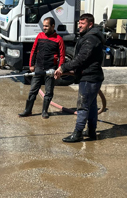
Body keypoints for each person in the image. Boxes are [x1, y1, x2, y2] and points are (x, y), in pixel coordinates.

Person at [55, 13, 105, 142]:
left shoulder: (91, 39)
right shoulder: (90, 36)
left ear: (90, 24)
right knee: (92, 105)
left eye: (82, 23)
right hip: (92, 76)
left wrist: (63, 68)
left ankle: (77, 133)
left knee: (83, 106)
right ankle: (92, 131)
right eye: (79, 23)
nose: (79, 26)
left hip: (89, 77)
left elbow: (81, 58)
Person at [19, 17, 65, 119]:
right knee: (33, 90)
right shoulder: (39, 36)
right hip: (39, 67)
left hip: (50, 69)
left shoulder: (59, 39)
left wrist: (59, 69)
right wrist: (31, 65)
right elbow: (33, 51)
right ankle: (28, 110)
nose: (44, 28)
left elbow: (62, 56)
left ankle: (44, 111)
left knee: (49, 91)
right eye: (43, 26)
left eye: (46, 26)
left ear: (53, 26)